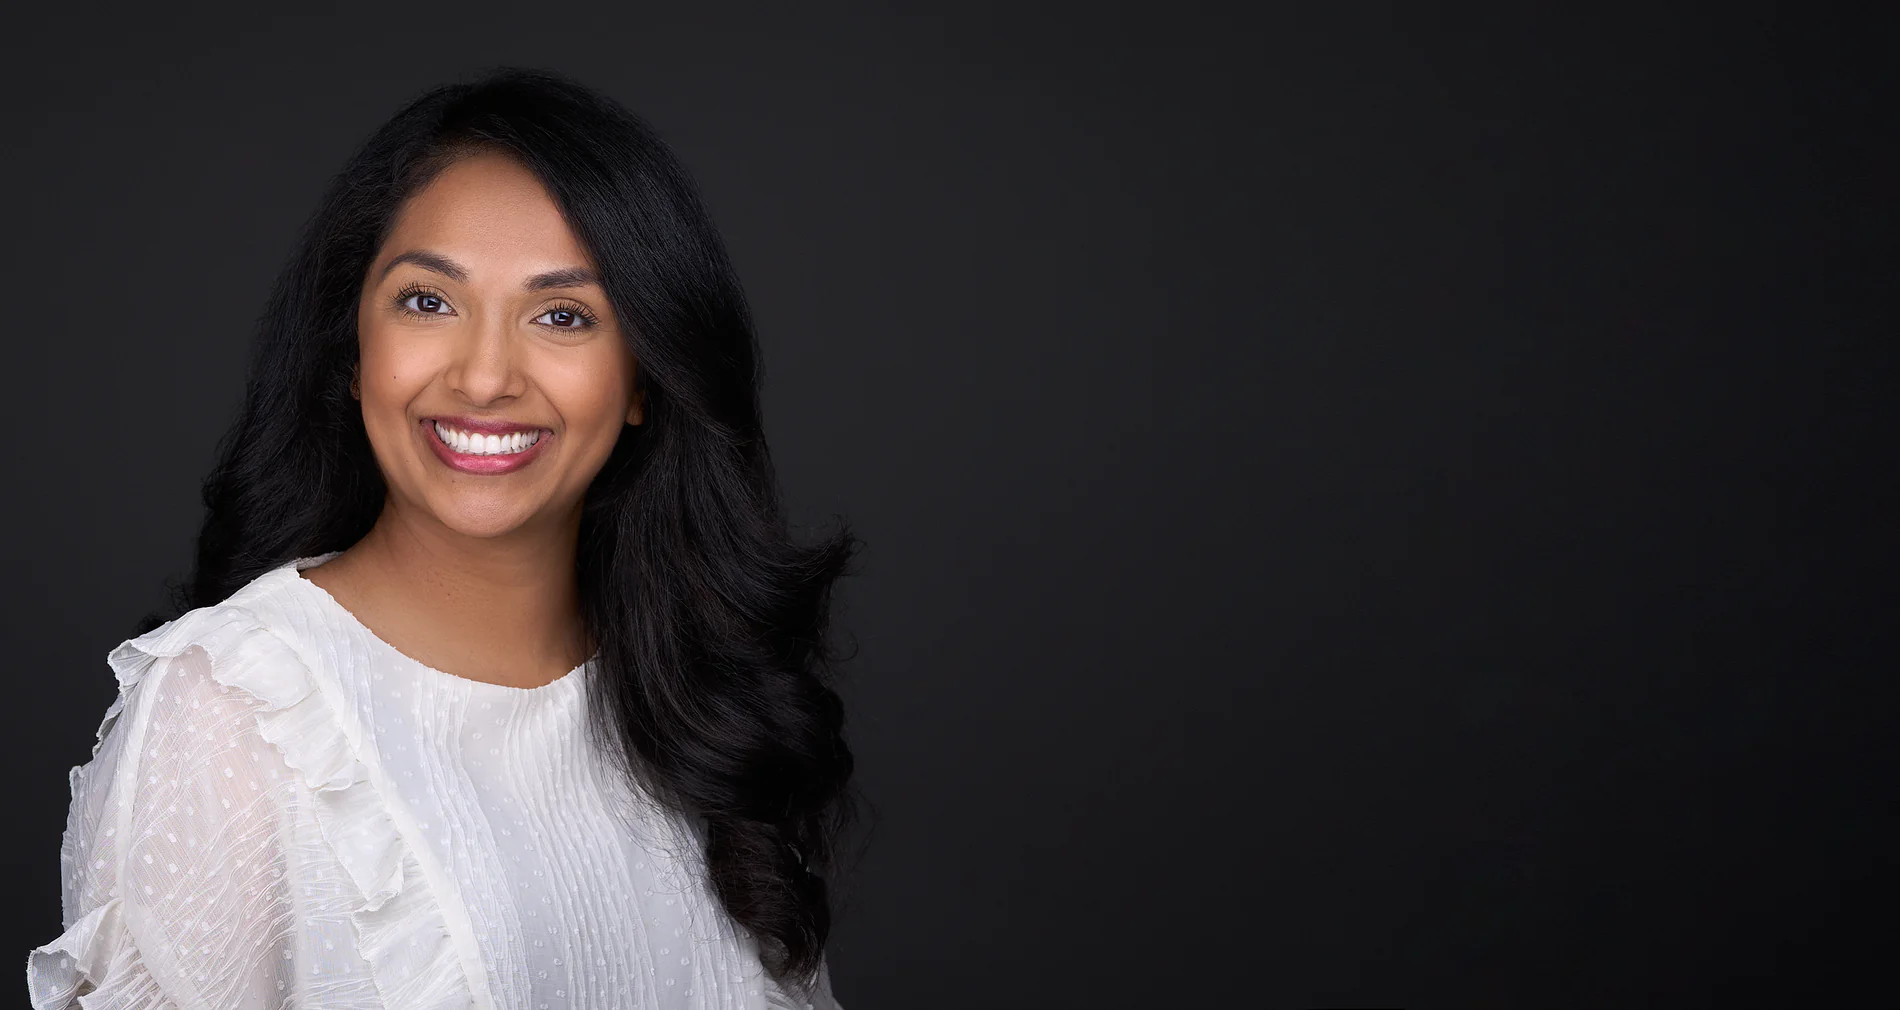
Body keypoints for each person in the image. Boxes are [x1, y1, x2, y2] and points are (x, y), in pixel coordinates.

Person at [27, 66, 861, 1010]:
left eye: (563, 315)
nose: (484, 376)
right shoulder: (230, 713)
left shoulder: (701, 701)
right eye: (429, 301)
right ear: (350, 351)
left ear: (642, 380)